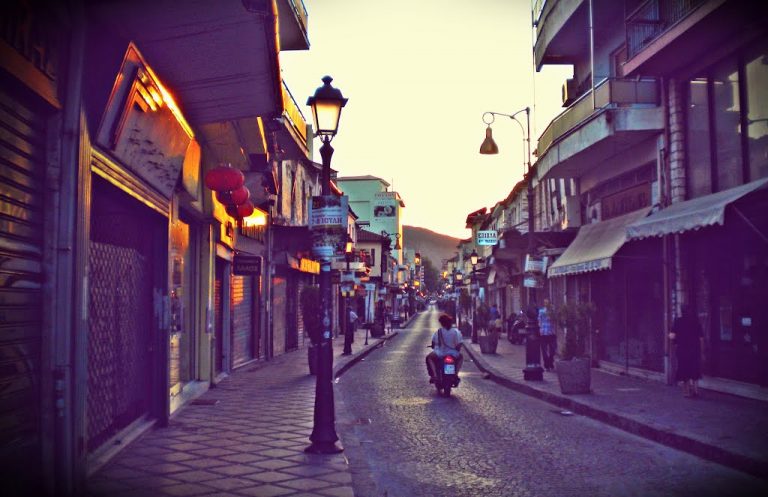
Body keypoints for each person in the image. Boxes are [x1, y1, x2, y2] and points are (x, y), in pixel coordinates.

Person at [670, 305, 704, 398]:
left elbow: (672, 336)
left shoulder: (678, 321)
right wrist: (702, 351)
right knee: (695, 369)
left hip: (682, 350)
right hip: (695, 350)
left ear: (682, 311)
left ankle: (687, 392)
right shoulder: (696, 321)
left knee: (685, 369)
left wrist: (674, 342)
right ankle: (696, 390)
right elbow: (701, 338)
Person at [426, 313, 464, 382]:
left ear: (442, 323)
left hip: (440, 353)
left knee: (429, 358)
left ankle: (434, 375)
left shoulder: (439, 332)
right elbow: (459, 343)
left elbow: (433, 342)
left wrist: (433, 346)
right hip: (453, 353)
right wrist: (456, 350)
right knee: (461, 358)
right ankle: (455, 374)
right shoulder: (456, 332)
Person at [538, 298, 556, 371]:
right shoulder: (541, 311)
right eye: (545, 302)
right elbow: (539, 320)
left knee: (553, 349)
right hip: (543, 333)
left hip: (551, 332)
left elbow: (555, 320)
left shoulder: (552, 311)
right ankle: (547, 365)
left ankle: (550, 362)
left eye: (547, 302)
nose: (546, 304)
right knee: (544, 350)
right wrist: (540, 329)